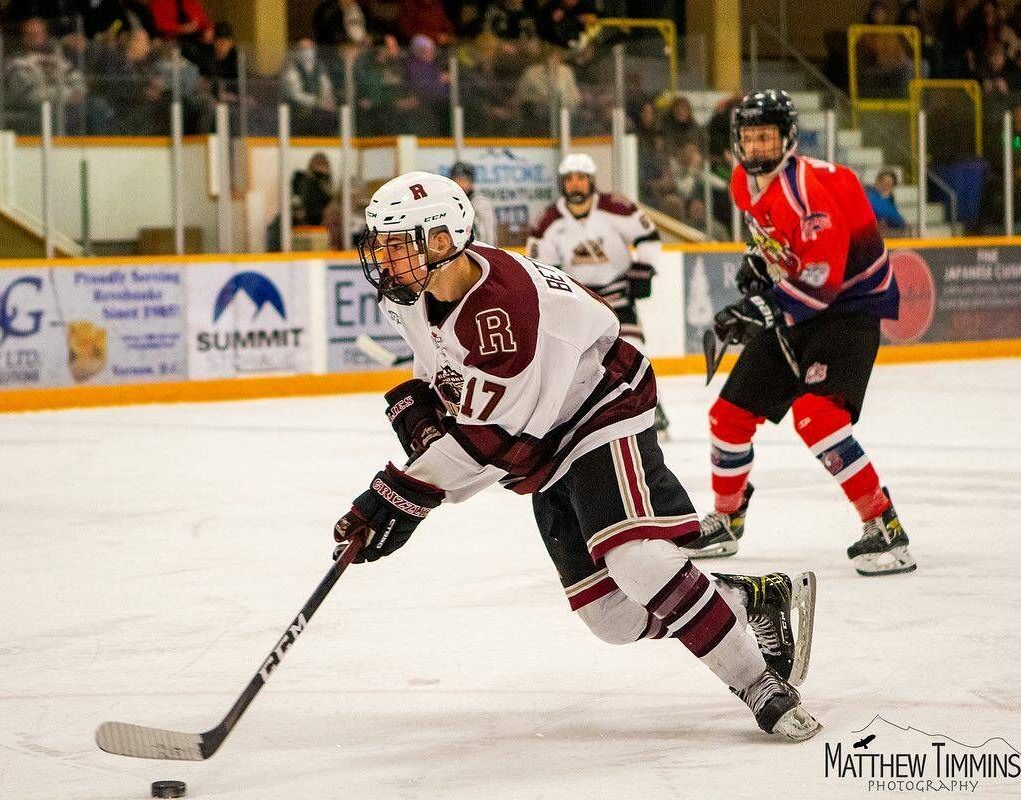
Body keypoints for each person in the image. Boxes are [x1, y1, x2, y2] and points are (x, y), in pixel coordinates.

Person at [333, 170, 822, 742]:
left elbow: (491, 444)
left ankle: (758, 682)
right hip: (542, 431)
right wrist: (419, 433)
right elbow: (442, 378)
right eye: (382, 243)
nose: (384, 258)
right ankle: (751, 599)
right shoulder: (417, 293)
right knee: (612, 618)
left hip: (597, 405)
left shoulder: (501, 314)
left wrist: (396, 495)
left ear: (442, 241)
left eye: (398, 244)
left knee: (636, 560)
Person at [681, 90, 916, 577]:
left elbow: (823, 283)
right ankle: (726, 521)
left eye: (766, 136)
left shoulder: (809, 193)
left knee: (818, 418)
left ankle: (886, 527)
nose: (757, 146)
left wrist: (759, 308)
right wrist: (758, 263)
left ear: (788, 138)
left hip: (847, 313)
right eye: (749, 136)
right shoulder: (744, 183)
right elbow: (777, 243)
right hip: (796, 308)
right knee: (727, 417)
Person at [526, 153, 669, 438]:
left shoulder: (616, 207)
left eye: (581, 179)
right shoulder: (548, 221)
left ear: (591, 181)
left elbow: (648, 237)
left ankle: (653, 407)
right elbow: (541, 266)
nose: (576, 185)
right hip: (580, 302)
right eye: (570, 180)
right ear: (562, 184)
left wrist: (644, 269)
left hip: (617, 295)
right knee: (576, 361)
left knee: (633, 349)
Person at [449, 161, 496, 245]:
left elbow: (487, 235)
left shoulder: (480, 202)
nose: (460, 184)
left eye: (464, 180)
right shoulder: (448, 202)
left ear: (471, 182)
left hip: (477, 251)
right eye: (456, 180)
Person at [865, 168, 908, 232]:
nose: (889, 187)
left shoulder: (890, 199)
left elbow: (899, 222)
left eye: (891, 184)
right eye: (886, 183)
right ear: (878, 183)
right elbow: (888, 214)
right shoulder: (871, 197)